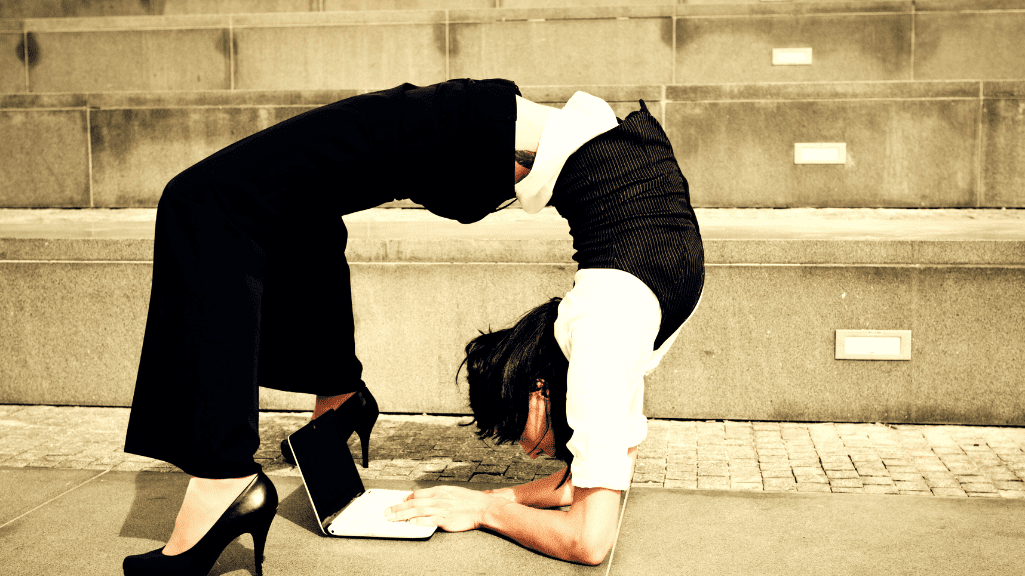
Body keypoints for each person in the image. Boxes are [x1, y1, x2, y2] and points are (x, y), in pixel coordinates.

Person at [121, 78, 522, 576]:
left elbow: (588, 542)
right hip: (474, 126)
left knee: (201, 200)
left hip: (465, 125)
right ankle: (339, 395)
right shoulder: (625, 178)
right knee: (295, 204)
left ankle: (222, 476)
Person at [384, 92, 704, 565]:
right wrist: (499, 497)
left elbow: (588, 542)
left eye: (517, 432)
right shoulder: (606, 337)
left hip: (555, 143)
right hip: (582, 150)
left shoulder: (603, 338)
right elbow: (576, 487)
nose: (529, 452)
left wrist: (482, 509)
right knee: (371, 155)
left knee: (370, 146)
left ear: (538, 392)